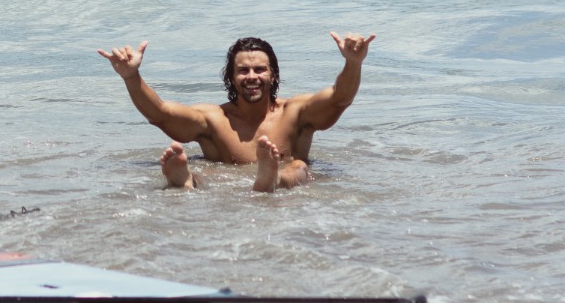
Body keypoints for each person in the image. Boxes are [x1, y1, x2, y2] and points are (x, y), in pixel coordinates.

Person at [98, 32, 376, 192]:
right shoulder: (214, 120)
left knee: (299, 166)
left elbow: (339, 99)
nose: (252, 76)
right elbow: (160, 114)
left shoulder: (296, 113)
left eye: (260, 70)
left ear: (273, 76)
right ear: (231, 78)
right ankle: (185, 181)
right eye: (243, 70)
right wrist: (131, 77)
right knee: (203, 175)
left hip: (282, 179)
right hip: (228, 183)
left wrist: (353, 63)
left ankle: (274, 177)